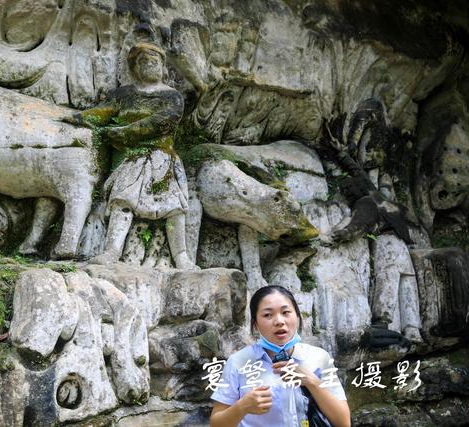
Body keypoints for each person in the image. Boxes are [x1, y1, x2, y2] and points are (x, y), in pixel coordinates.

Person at [64, 42, 196, 269]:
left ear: (163, 66)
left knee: (175, 206)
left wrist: (121, 132)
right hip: (130, 159)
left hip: (161, 156)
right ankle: (112, 250)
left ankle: (182, 256)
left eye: (154, 61)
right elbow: (102, 113)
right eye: (143, 61)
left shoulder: (172, 97)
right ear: (134, 67)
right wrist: (76, 118)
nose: (149, 64)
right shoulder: (124, 94)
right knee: (122, 199)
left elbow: (160, 122)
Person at [210, 285, 351, 427]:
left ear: (297, 316)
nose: (279, 321)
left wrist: (312, 382)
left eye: (285, 312)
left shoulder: (319, 357)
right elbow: (216, 423)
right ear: (255, 325)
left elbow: (344, 423)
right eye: (267, 315)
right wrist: (241, 407)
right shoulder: (239, 362)